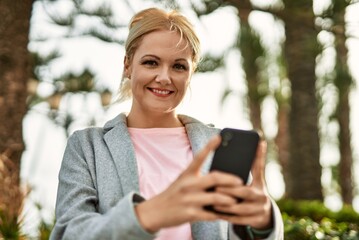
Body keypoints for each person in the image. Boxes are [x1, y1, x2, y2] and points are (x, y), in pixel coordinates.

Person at [50, 7, 284, 240]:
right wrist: (150, 215)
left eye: (179, 66)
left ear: (190, 74)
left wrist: (263, 224)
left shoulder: (218, 147)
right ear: (128, 65)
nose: (164, 77)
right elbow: (68, 233)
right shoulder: (87, 147)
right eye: (151, 63)